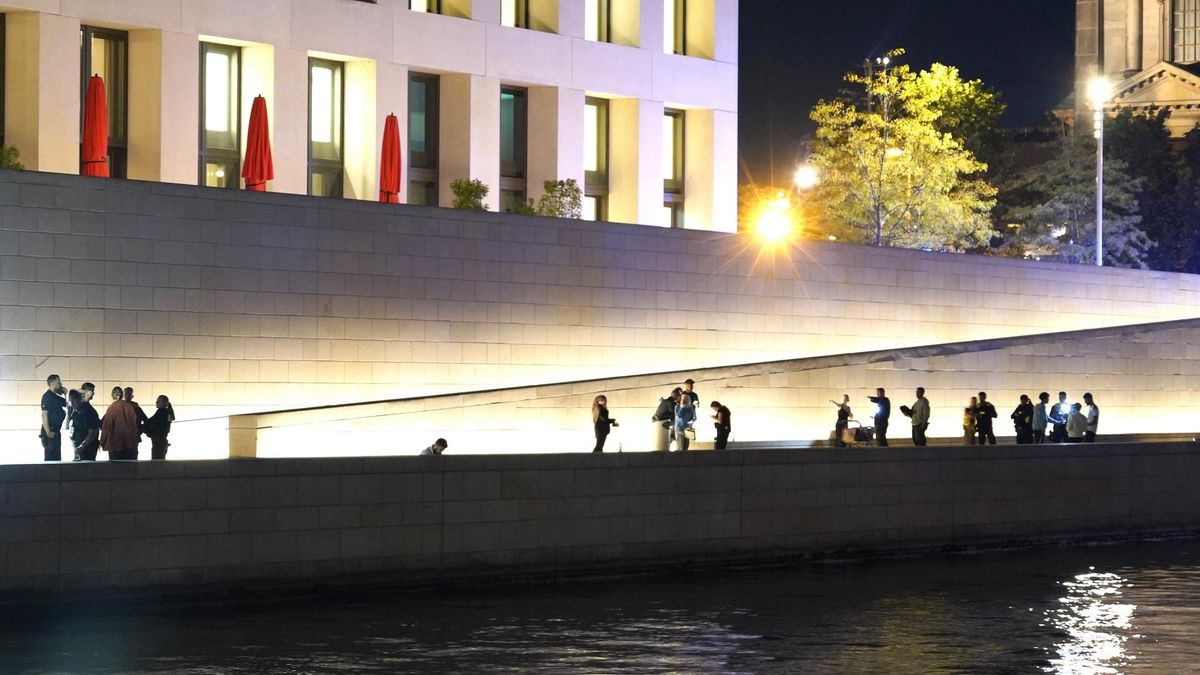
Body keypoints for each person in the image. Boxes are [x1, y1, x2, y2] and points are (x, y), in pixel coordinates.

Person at [101, 387, 142, 460]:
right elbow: (135, 424)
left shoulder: (111, 408)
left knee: (116, 466)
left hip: (115, 446)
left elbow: (107, 427)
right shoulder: (130, 406)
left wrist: (102, 442)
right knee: (130, 466)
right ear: (122, 395)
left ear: (112, 395)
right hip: (130, 444)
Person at [67, 389, 101, 461]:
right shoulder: (74, 411)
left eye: (73, 401)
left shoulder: (88, 411)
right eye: (70, 402)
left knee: (86, 466)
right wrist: (68, 414)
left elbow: (93, 432)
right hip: (77, 445)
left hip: (87, 447)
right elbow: (67, 426)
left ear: (79, 399)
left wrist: (82, 446)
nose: (71, 404)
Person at [39, 374, 67, 462]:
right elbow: (44, 415)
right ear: (52, 384)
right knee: (51, 458)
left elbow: (68, 404)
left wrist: (66, 394)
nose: (61, 385)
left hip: (56, 430)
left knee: (56, 457)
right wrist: (48, 432)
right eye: (59, 383)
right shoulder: (48, 397)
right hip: (50, 431)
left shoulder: (56, 397)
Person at [144, 395, 175, 460]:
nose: (156, 402)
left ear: (164, 403)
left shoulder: (162, 413)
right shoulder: (166, 413)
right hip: (160, 441)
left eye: (158, 401)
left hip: (158, 441)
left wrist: (146, 428)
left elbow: (152, 423)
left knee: (156, 460)